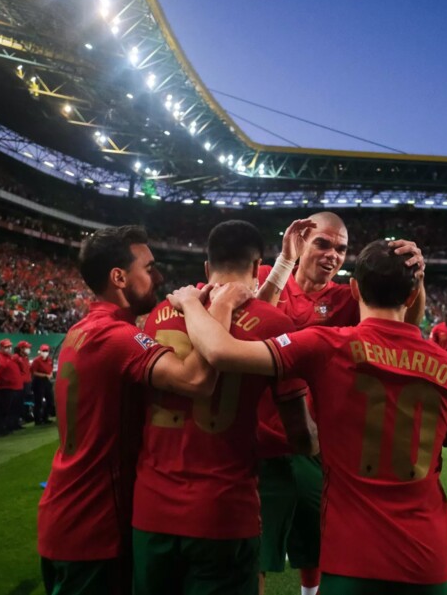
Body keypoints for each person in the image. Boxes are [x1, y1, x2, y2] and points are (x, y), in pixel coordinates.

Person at [168, 239, 447, 594]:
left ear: (353, 289)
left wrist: (190, 304)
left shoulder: (325, 346)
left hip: (353, 563)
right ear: (412, 297)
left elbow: (218, 351)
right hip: (432, 563)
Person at [37, 225, 237, 595]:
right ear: (119, 277)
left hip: (64, 513)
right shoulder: (117, 338)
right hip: (95, 524)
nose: (159, 277)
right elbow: (196, 381)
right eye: (149, 268)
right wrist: (218, 305)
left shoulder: (81, 330)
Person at [132, 220, 317, 595]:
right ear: (255, 267)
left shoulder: (158, 316)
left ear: (205, 267)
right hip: (224, 511)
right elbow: (300, 436)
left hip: (152, 510)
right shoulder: (276, 325)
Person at [254, 212, 426, 595]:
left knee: (319, 544)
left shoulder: (346, 297)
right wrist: (281, 265)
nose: (333, 255)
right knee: (255, 553)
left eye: (342, 249)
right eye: (323, 244)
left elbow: (404, 320)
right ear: (299, 241)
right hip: (259, 441)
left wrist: (416, 278)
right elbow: (245, 316)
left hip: (316, 443)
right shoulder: (268, 276)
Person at [0, 339, 18, 437]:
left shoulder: (10, 357)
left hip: (10, 386)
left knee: (7, 409)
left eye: (9, 347)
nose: (9, 349)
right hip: (3, 387)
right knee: (1, 409)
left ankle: (4, 427)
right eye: (6, 347)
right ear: (1, 348)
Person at [31, 344, 55, 424]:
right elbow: (34, 372)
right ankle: (37, 420)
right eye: (43, 351)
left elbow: (51, 369)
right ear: (40, 351)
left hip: (47, 381)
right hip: (38, 382)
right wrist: (45, 375)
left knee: (50, 400)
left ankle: (45, 417)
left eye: (46, 351)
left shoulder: (49, 360)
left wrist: (50, 374)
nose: (45, 352)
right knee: (38, 401)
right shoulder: (36, 361)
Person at [13, 341, 33, 428]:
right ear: (21, 349)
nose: (28, 349)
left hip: (27, 383)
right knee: (18, 403)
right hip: (21, 384)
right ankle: (16, 421)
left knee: (23, 402)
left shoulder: (25, 358)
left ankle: (21, 419)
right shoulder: (16, 358)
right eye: (26, 347)